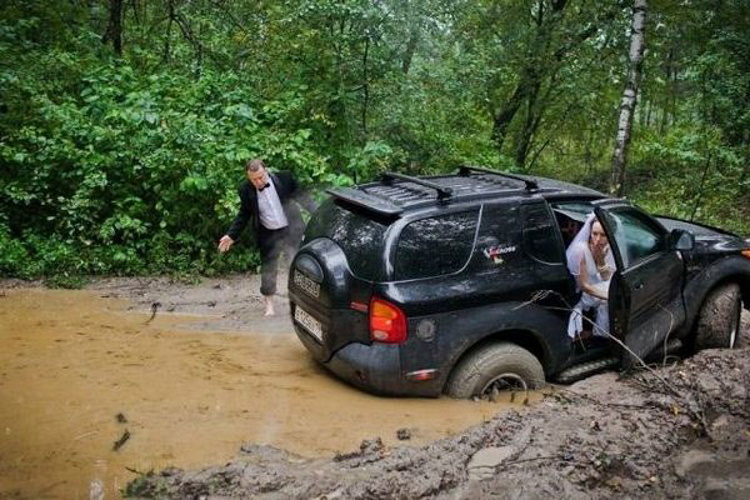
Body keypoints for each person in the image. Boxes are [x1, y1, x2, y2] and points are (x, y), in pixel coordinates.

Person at [218, 159, 317, 316]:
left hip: (291, 229)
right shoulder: (245, 190)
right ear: (249, 178)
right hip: (268, 233)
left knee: (298, 265)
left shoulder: (285, 178)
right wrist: (231, 235)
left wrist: (319, 214)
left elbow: (303, 198)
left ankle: (303, 302)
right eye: (254, 179)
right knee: (268, 268)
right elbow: (244, 214)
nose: (258, 182)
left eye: (261, 177)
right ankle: (269, 307)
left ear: (266, 171)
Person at [566, 213, 616, 339]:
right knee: (609, 297)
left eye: (603, 235)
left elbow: (605, 277)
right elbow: (583, 286)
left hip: (592, 285)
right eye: (594, 234)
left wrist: (601, 260)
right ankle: (600, 335)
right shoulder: (580, 250)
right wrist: (609, 296)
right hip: (578, 294)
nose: (598, 239)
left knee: (615, 285)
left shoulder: (606, 248)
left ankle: (603, 330)